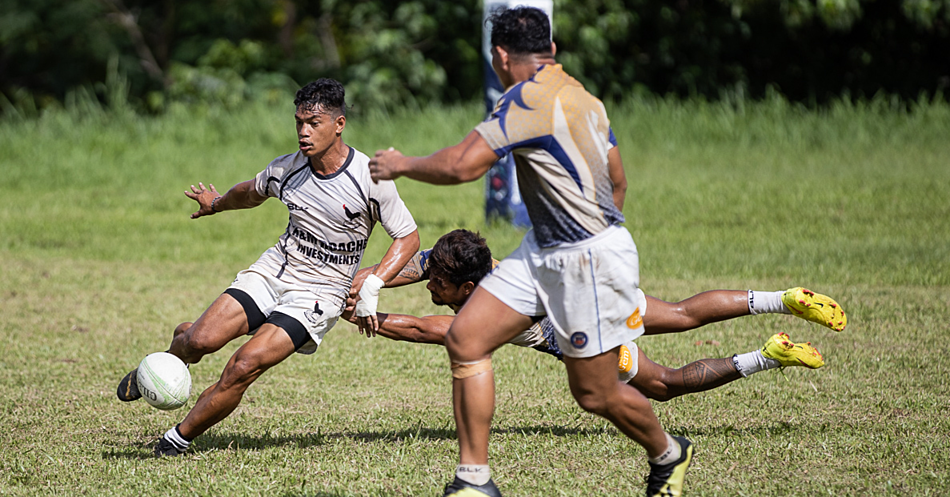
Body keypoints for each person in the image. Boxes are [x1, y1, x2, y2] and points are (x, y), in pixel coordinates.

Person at [369, 7, 697, 495]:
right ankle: (474, 481)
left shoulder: (525, 99)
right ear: (552, 49)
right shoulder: (585, 97)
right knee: (466, 338)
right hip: (545, 248)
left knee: (595, 393)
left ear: (500, 56)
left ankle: (669, 453)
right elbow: (619, 182)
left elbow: (463, 166)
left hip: (584, 258)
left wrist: (402, 164)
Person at [115, 78, 420, 457]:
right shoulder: (287, 169)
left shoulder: (370, 179)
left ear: (339, 124)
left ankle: (175, 440)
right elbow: (250, 192)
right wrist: (216, 203)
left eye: (314, 123)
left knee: (243, 365)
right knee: (198, 341)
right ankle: (168, 361)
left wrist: (373, 285)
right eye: (299, 123)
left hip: (319, 295)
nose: (304, 132)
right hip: (275, 271)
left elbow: (408, 238)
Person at [349, 229, 833, 402]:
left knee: (663, 385)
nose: (429, 286)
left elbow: (422, 329)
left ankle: (768, 356)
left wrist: (358, 313)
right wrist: (360, 284)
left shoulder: (488, 310)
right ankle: (781, 297)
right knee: (683, 313)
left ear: (468, 290)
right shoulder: (467, 257)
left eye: (438, 284)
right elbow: (411, 265)